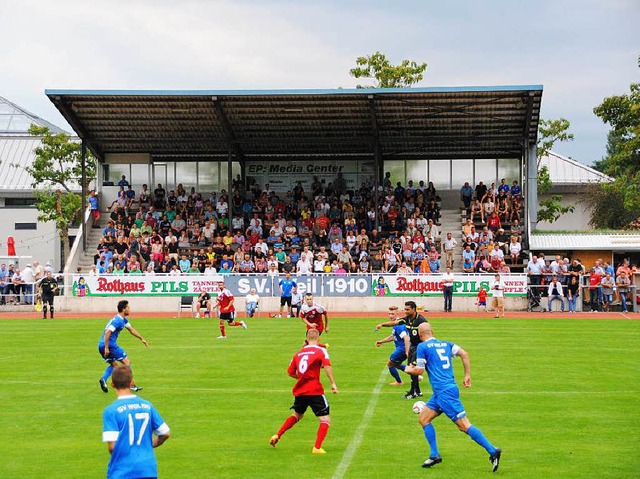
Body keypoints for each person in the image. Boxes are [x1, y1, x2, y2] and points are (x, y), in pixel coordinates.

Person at [405, 323, 501, 471]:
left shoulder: (422, 347)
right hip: (441, 393)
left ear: (419, 334)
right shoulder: (446, 344)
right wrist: (467, 375)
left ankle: (493, 451)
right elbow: (464, 353)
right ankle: (434, 454)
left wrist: (404, 368)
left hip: (445, 393)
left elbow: (419, 371)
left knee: (464, 425)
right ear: (432, 332)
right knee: (423, 419)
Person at [269, 329, 338, 454]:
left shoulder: (298, 353)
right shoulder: (321, 350)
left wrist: (302, 377)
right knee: (325, 419)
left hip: (300, 391)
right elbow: (327, 366)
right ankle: (317, 447)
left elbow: (290, 372)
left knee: (297, 415)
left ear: (306, 339)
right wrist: (333, 383)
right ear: (319, 339)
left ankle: (277, 435)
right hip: (314, 390)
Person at [102, 365, 170, 479]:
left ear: (112, 384)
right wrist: (152, 443)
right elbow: (165, 433)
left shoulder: (111, 411)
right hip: (148, 469)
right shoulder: (147, 406)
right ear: (132, 383)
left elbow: (112, 447)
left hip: (122, 471)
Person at [97, 300, 148, 393]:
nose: (130, 309)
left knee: (115, 365)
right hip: (109, 344)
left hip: (101, 344)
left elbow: (131, 330)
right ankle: (130, 385)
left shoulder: (123, 320)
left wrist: (142, 338)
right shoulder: (118, 321)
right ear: (124, 309)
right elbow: (108, 332)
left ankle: (103, 379)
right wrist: (107, 347)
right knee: (127, 361)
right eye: (128, 307)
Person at [397, 301, 428, 399]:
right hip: (412, 347)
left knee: (413, 369)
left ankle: (412, 392)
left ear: (414, 309)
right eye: (405, 309)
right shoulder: (408, 319)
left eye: (407, 309)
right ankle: (417, 391)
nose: (405, 311)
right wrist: (382, 324)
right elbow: (394, 323)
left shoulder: (421, 320)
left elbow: (428, 332)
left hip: (419, 347)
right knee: (411, 369)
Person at [375, 306, 411, 386]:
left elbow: (406, 338)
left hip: (402, 348)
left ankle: (399, 382)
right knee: (397, 365)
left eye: (392, 314)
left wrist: (407, 351)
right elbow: (393, 336)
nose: (390, 316)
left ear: (397, 314)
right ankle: (415, 374)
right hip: (402, 348)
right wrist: (382, 341)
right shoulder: (396, 324)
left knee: (390, 363)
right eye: (389, 314)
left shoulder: (399, 325)